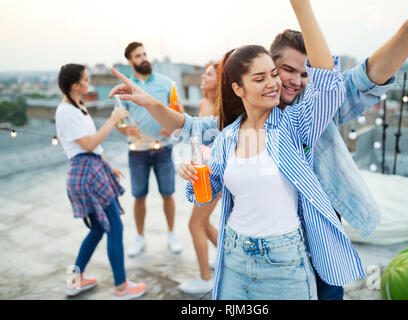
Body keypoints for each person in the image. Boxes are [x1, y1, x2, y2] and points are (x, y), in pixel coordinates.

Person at [108, 0, 408, 299]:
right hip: (242, 252)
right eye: (284, 70)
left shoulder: (307, 116)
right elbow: (192, 132)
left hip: (313, 246)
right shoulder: (234, 132)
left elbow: (361, 78)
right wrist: (148, 101)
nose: (293, 81)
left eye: (303, 73)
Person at [186, 0, 353, 299]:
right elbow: (207, 192)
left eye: (273, 74)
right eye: (260, 78)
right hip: (234, 255)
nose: (273, 83)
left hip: (284, 263)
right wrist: (192, 179)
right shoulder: (227, 138)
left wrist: (302, 7)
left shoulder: (295, 124)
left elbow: (328, 83)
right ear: (239, 89)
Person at [55, 63, 147, 300]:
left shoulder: (78, 107)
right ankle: (121, 287)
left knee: (97, 229)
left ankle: (74, 281)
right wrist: (113, 118)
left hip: (90, 169)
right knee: (114, 227)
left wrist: (108, 165)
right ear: (76, 85)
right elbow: (86, 145)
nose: (89, 83)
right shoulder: (66, 111)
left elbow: (90, 145)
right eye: (86, 80)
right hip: (86, 172)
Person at [116, 42, 182, 258]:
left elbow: (177, 111)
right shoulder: (125, 88)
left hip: (164, 149)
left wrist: (171, 126)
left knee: (167, 194)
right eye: (138, 56)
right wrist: (126, 129)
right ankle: (140, 237)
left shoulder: (166, 84)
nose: (144, 58)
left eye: (145, 54)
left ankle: (172, 234)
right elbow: (119, 121)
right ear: (130, 61)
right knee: (139, 196)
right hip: (138, 151)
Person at [178, 62, 221, 295]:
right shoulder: (205, 102)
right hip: (201, 173)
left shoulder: (222, 110)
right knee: (203, 223)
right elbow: (197, 140)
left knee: (194, 223)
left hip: (215, 176)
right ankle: (225, 260)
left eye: (209, 73)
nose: (203, 77)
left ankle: (206, 278)